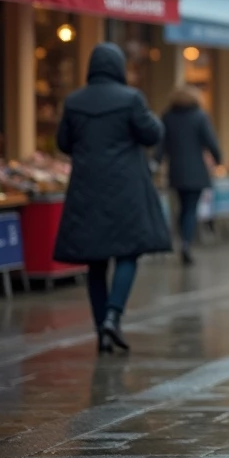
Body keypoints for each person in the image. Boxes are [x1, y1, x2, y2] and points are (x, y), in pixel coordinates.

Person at [53, 44, 171, 354]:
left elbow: (64, 142)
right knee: (128, 252)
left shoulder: (74, 101)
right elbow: (152, 135)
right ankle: (113, 315)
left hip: (87, 188)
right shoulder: (131, 98)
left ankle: (100, 329)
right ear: (118, 66)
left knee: (95, 261)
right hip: (125, 188)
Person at [158, 86, 223, 265]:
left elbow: (161, 144)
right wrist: (218, 159)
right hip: (196, 170)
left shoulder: (168, 117)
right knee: (191, 208)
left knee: (181, 207)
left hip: (176, 170)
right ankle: (186, 243)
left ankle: (182, 239)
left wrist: (156, 162)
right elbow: (210, 141)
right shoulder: (200, 116)